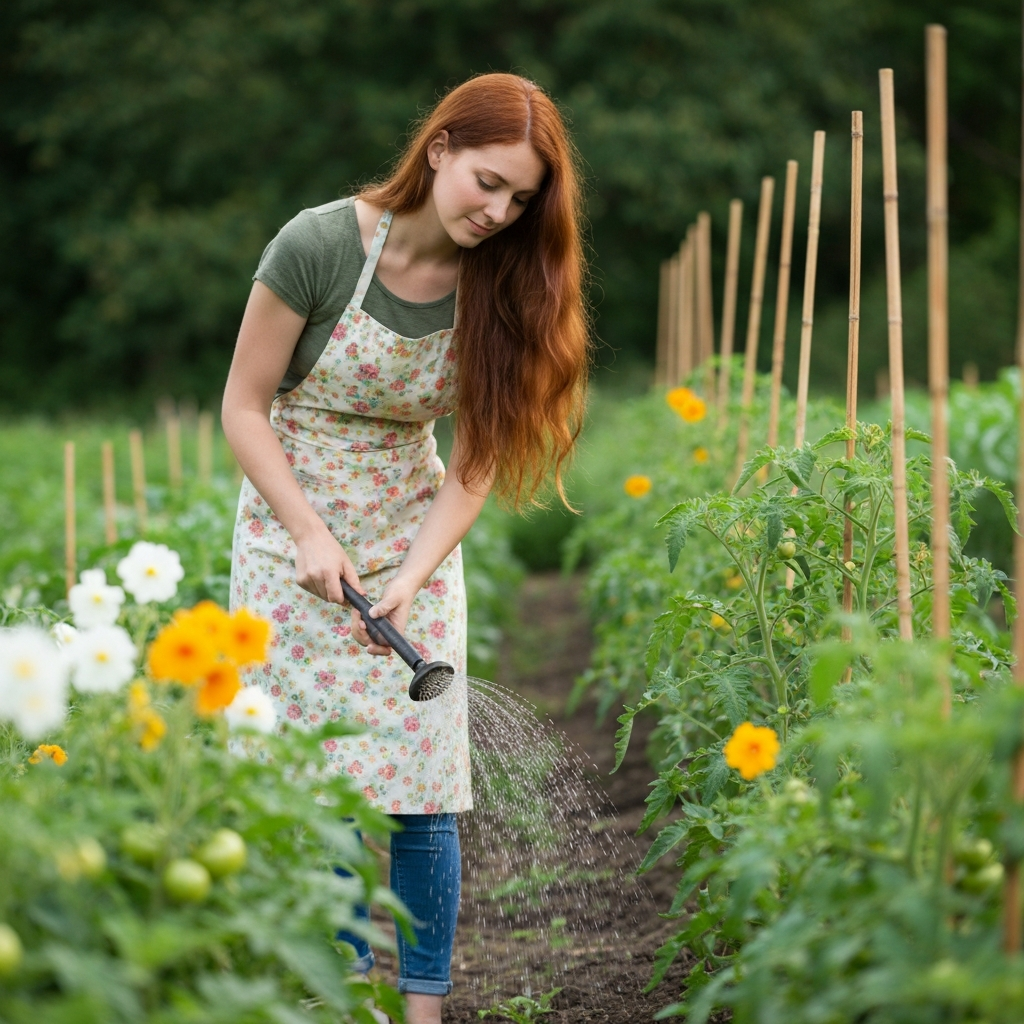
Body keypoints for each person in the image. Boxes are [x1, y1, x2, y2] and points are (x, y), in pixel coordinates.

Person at [222, 72, 589, 1024]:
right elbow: (244, 407)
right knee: (317, 788)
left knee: (424, 794)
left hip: (410, 535)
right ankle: (334, 999)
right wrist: (306, 531)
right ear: (439, 152)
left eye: (519, 200)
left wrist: (413, 576)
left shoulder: (500, 285)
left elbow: (472, 468)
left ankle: (422, 1012)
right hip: (288, 537)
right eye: (488, 183)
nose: (499, 211)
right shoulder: (317, 247)